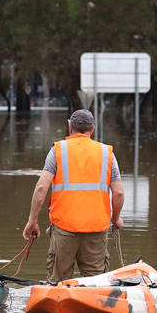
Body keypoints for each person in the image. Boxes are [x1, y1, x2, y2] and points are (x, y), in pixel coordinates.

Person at [23, 109, 125, 282]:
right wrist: (115, 219)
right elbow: (119, 193)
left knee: (58, 286)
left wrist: (32, 221)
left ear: (70, 127)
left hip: (64, 229)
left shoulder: (58, 151)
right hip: (96, 230)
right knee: (96, 286)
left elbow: (41, 188)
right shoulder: (107, 153)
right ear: (91, 129)